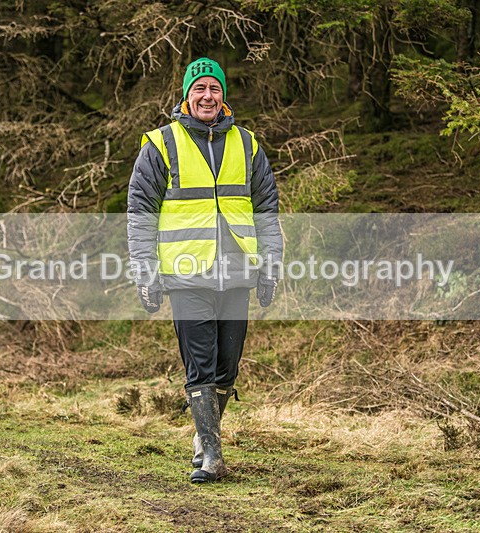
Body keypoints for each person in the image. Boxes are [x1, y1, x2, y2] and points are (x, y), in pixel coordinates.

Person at [127, 57, 283, 483]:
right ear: (186, 96)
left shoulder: (248, 145)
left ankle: (203, 432)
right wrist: (145, 272)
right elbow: (140, 213)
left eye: (214, 89)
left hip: (236, 272)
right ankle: (212, 455)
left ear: (224, 97)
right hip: (185, 275)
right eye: (200, 90)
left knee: (227, 366)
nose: (208, 97)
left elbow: (266, 210)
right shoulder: (161, 145)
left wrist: (270, 265)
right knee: (201, 363)